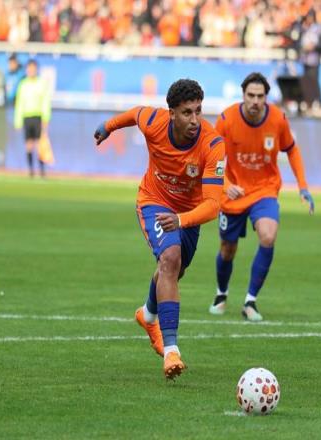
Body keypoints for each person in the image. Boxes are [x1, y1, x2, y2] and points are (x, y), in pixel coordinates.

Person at [94, 79, 225, 379]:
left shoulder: (213, 144)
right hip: (154, 201)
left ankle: (148, 314)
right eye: (187, 112)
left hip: (187, 213)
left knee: (175, 270)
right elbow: (135, 114)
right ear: (172, 114)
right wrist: (108, 126)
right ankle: (171, 351)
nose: (195, 120)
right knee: (170, 258)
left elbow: (212, 205)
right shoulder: (154, 122)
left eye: (198, 111)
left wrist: (181, 220)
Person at [208, 72, 314, 322]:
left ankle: (250, 301)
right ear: (243, 95)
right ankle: (221, 294)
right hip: (234, 192)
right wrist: (225, 184)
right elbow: (211, 159)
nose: (255, 101)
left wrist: (303, 186)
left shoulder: (277, 118)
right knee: (227, 249)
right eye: (251, 95)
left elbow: (291, 150)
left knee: (268, 236)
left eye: (260, 96)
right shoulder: (226, 119)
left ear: (266, 97)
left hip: (265, 190)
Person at [14, 59, 51, 178]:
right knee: (29, 144)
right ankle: (31, 170)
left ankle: (42, 170)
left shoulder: (41, 83)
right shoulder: (23, 84)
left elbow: (45, 101)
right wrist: (18, 121)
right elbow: (19, 103)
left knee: (40, 144)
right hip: (27, 117)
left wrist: (46, 118)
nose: (31, 71)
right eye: (29, 68)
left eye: (33, 68)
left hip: (38, 116)